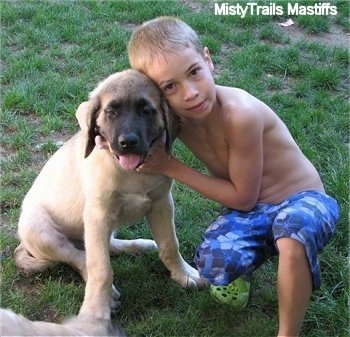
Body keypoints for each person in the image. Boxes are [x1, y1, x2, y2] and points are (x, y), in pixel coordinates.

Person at [123, 16, 338, 337]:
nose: (191, 93)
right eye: (170, 87)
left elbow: (243, 197)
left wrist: (170, 166)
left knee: (293, 234)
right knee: (213, 261)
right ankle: (251, 262)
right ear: (157, 95)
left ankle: (288, 330)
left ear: (208, 60)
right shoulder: (174, 121)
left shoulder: (240, 114)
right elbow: (134, 133)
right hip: (252, 211)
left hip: (303, 201)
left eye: (194, 72)